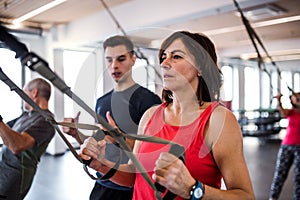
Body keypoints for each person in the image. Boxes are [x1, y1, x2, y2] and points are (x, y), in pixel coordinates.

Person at [79, 31, 255, 200]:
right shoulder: (150, 115)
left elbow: (245, 196)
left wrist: (193, 189)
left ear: (200, 67)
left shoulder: (218, 120)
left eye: (176, 56)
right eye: (164, 57)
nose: (164, 63)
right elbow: (135, 176)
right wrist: (100, 163)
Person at [63, 35, 161, 200]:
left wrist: (120, 139)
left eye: (121, 59)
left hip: (131, 186)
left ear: (133, 60)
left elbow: (154, 151)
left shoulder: (149, 101)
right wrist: (77, 135)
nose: (114, 65)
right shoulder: (102, 101)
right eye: (109, 60)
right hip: (103, 181)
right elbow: (100, 141)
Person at [0, 78, 55, 200]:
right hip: (3, 169)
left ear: (34, 92)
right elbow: (6, 130)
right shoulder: (27, 115)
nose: (22, 97)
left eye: (24, 92)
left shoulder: (46, 122)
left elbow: (17, 146)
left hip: (13, 178)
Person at [269, 92, 300, 200]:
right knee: (280, 174)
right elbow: (283, 112)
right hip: (286, 146)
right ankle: (273, 197)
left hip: (299, 148)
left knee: (298, 178)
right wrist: (279, 100)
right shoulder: (291, 112)